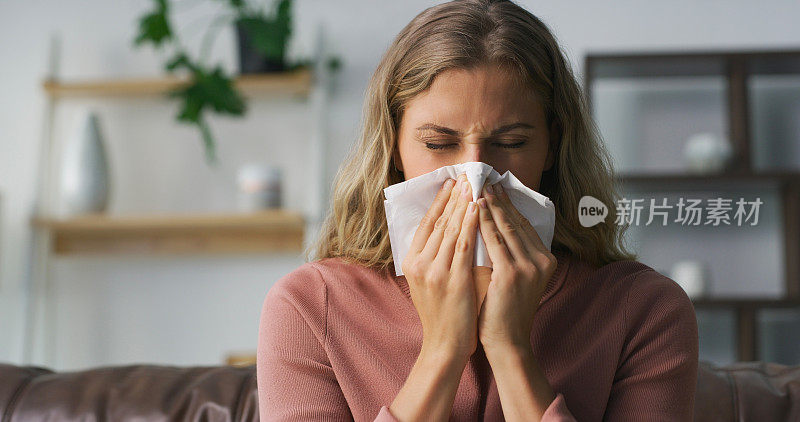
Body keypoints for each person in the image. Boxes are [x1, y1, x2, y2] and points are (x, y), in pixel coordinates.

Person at [257, 0, 699, 420]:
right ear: (393, 146)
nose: (474, 178)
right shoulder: (310, 307)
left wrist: (510, 349)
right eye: (438, 143)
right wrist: (444, 349)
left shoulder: (644, 309)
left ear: (552, 146)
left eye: (510, 143)